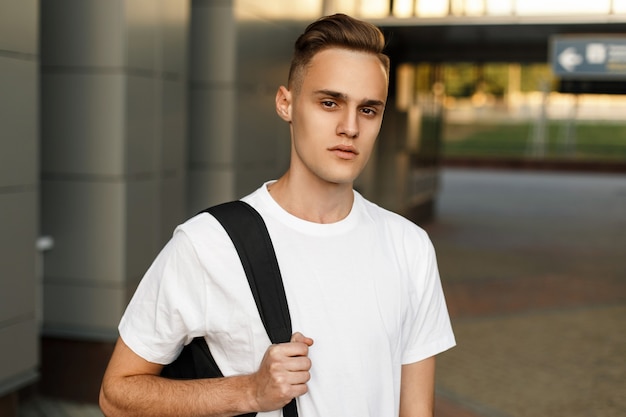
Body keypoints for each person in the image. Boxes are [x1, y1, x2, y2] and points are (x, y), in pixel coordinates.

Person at [99, 13, 455, 417]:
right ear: (286, 103)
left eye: (368, 110)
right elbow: (116, 395)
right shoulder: (210, 243)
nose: (349, 127)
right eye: (329, 103)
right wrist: (249, 391)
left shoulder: (409, 246)